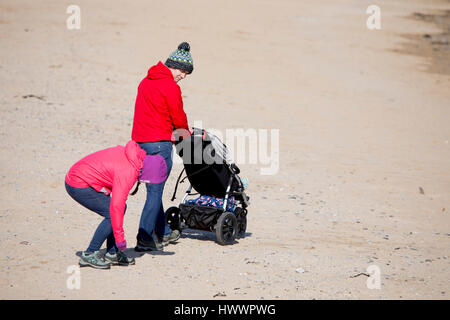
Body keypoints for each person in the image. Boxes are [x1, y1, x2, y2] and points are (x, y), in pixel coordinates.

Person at [65, 140, 167, 269]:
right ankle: (90, 253)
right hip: (77, 182)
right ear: (148, 172)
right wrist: (120, 240)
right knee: (111, 213)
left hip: (79, 174)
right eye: (151, 180)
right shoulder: (129, 171)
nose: (151, 183)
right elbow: (116, 208)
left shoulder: (136, 157)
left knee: (117, 210)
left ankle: (112, 253)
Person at [131, 42, 193, 252]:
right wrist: (186, 137)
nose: (183, 76)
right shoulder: (170, 87)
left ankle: (164, 232)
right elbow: (178, 117)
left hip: (140, 143)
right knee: (154, 193)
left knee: (152, 190)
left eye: (186, 73)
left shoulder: (145, 82)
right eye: (182, 71)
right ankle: (144, 238)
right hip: (159, 145)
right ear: (172, 66)